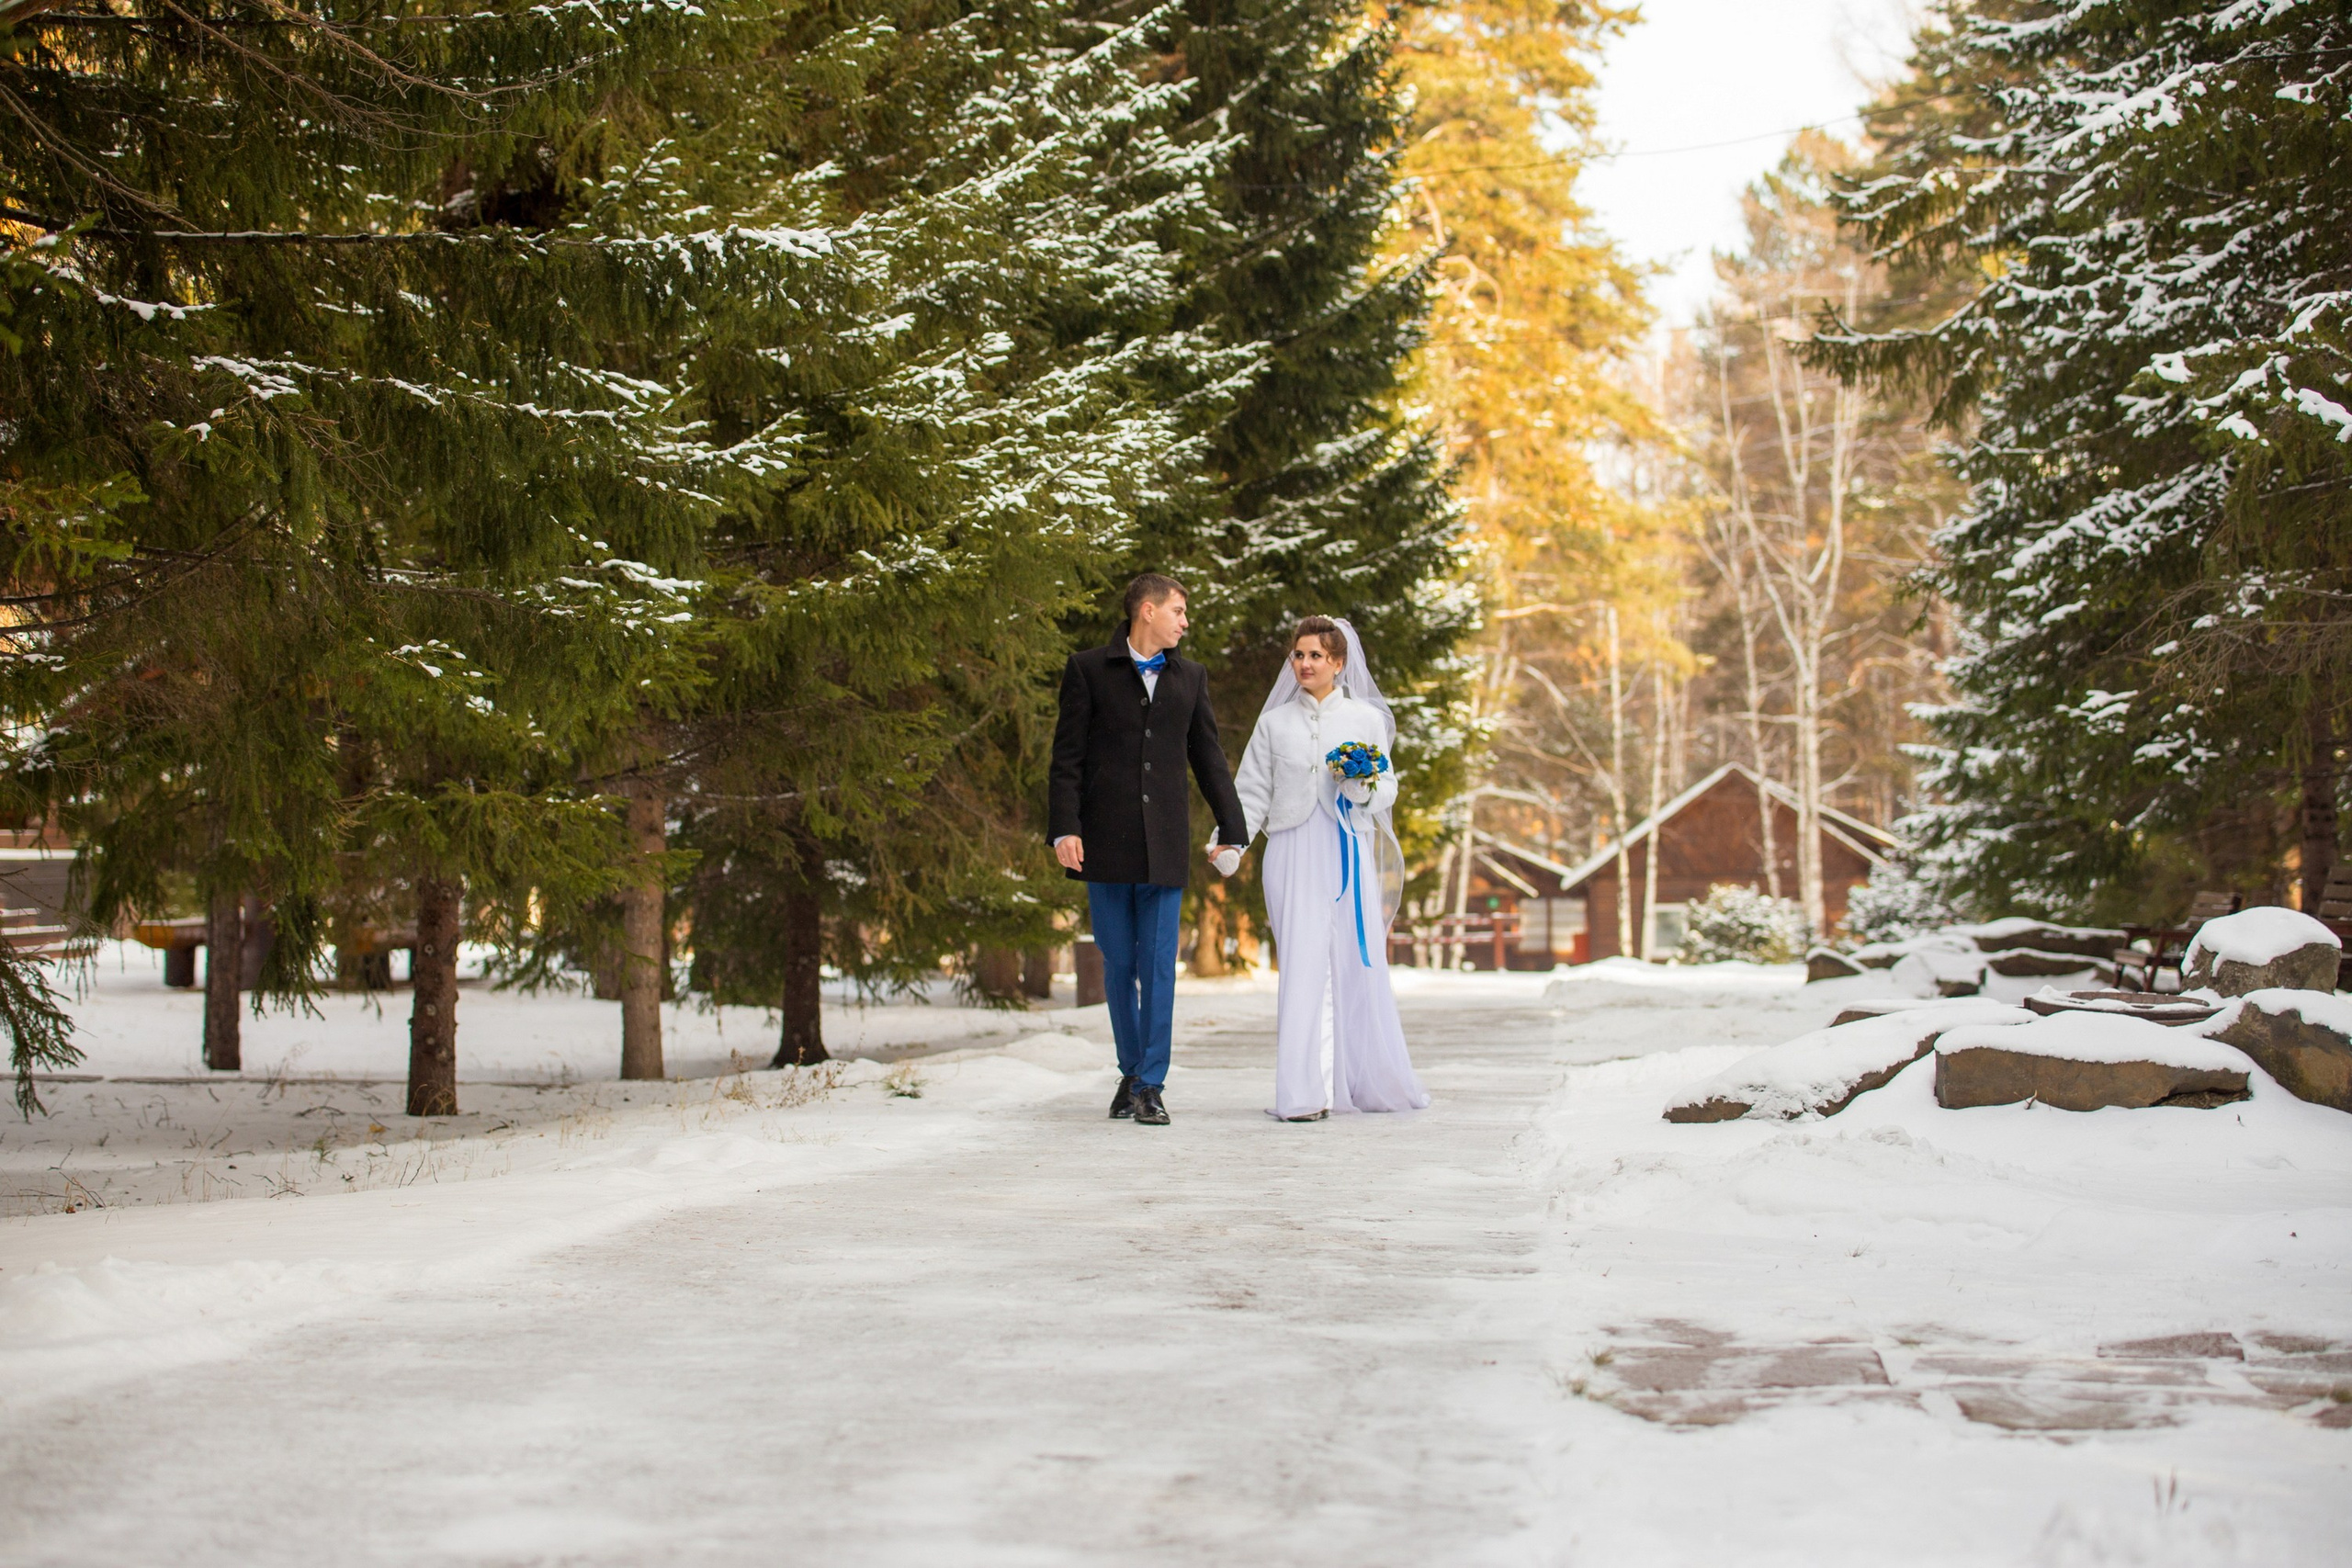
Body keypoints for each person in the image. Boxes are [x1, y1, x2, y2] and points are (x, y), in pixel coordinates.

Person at [1048, 572, 1249, 1126]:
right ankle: (1131, 1070)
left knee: (1160, 965)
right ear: (1146, 611)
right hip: (1103, 845)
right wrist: (1064, 828)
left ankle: (1151, 1084)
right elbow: (1067, 759)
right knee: (1119, 962)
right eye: (1178, 611)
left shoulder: (1191, 678)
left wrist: (1232, 825)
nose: (1185, 622)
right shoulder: (1087, 669)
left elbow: (1209, 758)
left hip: (1163, 845)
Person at [1231, 616, 1429, 1121]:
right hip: (1292, 849)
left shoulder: (1364, 720)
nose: (1305, 663)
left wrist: (1360, 785)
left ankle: (1362, 1083)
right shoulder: (1274, 723)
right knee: (1300, 962)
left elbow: (1386, 787)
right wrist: (1232, 842)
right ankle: (1301, 1094)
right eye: (1298, 655)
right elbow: (1252, 790)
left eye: (1316, 655)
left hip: (1346, 849)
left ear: (1338, 664)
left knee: (1352, 961)